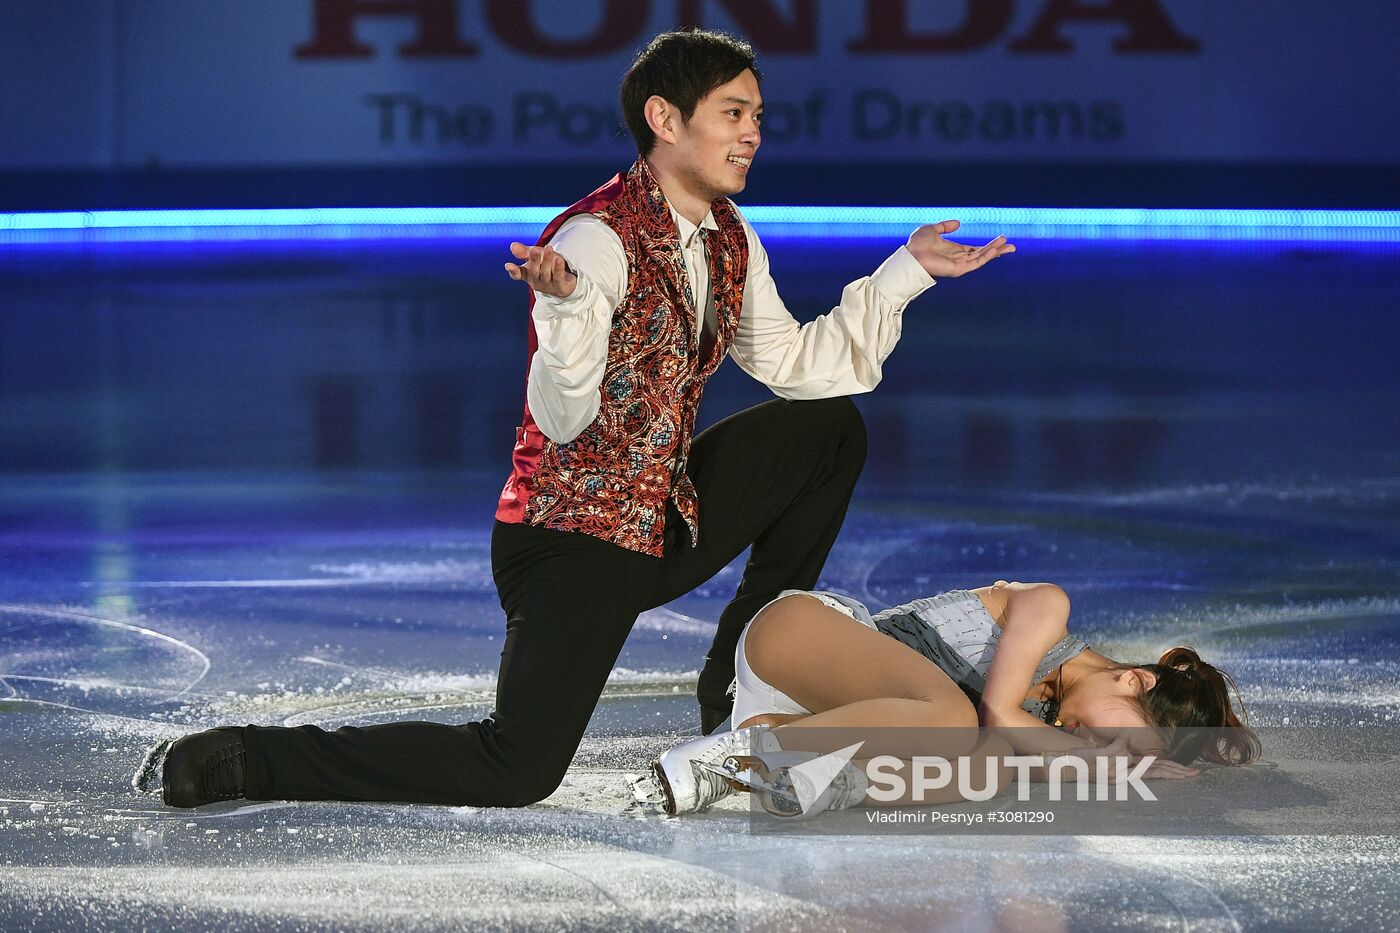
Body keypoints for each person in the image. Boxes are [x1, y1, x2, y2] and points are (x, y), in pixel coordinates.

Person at [155, 28, 1015, 809]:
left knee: (827, 429)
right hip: (572, 538)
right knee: (517, 765)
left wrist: (907, 270)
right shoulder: (594, 242)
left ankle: (735, 685)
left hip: (665, 516)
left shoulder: (727, 235)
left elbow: (795, 366)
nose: (754, 132)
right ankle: (255, 757)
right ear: (664, 119)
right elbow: (564, 419)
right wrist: (565, 313)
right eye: (734, 113)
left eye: (757, 114)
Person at [637, 581, 1260, 817]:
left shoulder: (1043, 726)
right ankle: (749, 754)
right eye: (1116, 734)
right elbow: (997, 711)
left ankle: (806, 777)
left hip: (806, 714)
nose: (1095, 745)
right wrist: (1105, 766)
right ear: (1135, 680)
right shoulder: (1048, 609)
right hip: (800, 638)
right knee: (967, 725)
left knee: (993, 766)